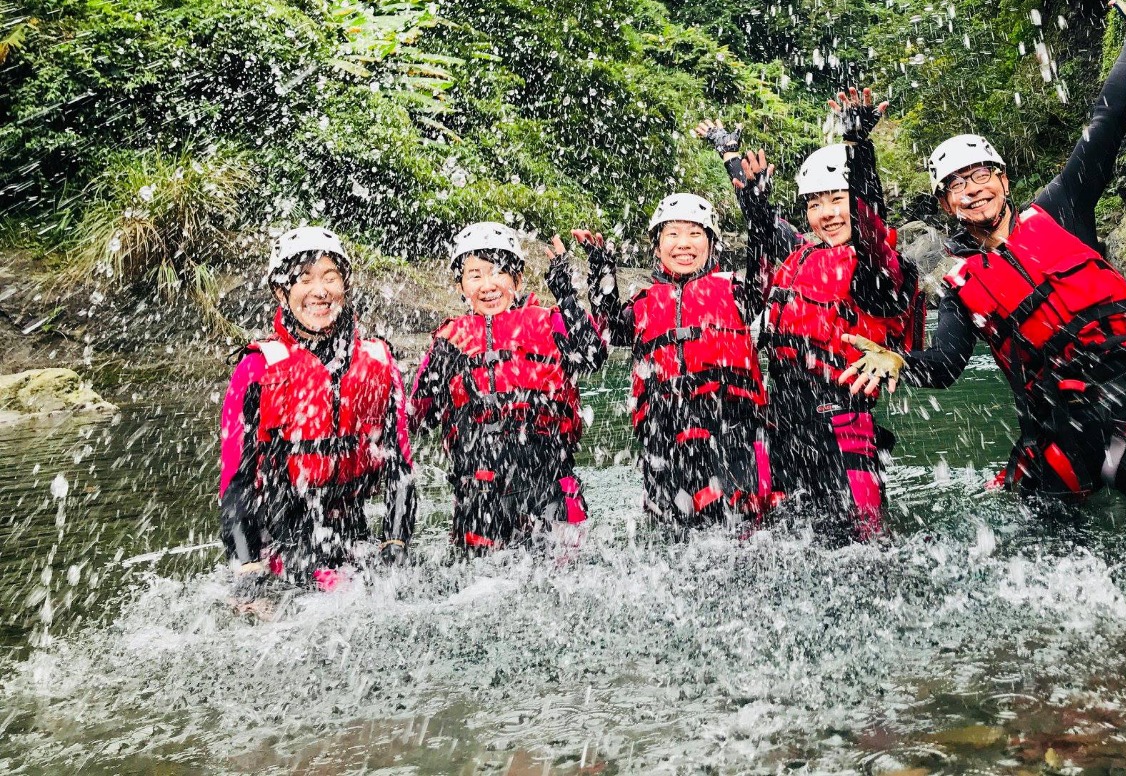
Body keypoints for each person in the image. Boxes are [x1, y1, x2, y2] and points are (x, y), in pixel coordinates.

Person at [840, 0, 1126, 512]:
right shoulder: (960, 287)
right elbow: (944, 365)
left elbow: (1107, 124)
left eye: (982, 175)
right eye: (957, 186)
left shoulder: (1061, 210)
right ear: (946, 206)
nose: (973, 189)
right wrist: (901, 361)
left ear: (1005, 181)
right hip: (1056, 438)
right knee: (1052, 543)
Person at [698, 90, 924, 540]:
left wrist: (859, 149)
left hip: (842, 435)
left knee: (861, 552)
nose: (826, 214)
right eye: (815, 203)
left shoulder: (873, 268)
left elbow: (870, 224)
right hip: (783, 431)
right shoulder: (801, 255)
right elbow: (761, 223)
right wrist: (729, 156)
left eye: (836, 199)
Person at [218, 226, 415, 591]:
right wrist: (247, 569)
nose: (320, 291)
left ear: (345, 285)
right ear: (282, 291)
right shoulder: (256, 370)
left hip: (356, 539)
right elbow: (236, 485)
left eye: (330, 277)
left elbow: (400, 470)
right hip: (281, 544)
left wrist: (395, 545)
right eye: (304, 279)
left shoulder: (377, 360)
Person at [573, 192, 774, 527]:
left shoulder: (738, 292)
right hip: (664, 435)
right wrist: (601, 268)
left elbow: (762, 265)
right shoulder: (642, 304)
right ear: (657, 246)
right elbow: (608, 328)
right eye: (673, 234)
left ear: (712, 244)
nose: (684, 244)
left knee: (739, 530)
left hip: (729, 428)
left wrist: (757, 207)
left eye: (695, 234)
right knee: (671, 533)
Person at [409, 223, 606, 551]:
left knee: (567, 571)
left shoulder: (551, 321)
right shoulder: (449, 341)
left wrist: (567, 295)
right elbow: (416, 419)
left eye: (498, 272)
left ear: (517, 279)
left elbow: (593, 355)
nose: (487, 285)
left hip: (550, 482)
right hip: (480, 493)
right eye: (474, 275)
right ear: (460, 285)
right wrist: (434, 377)